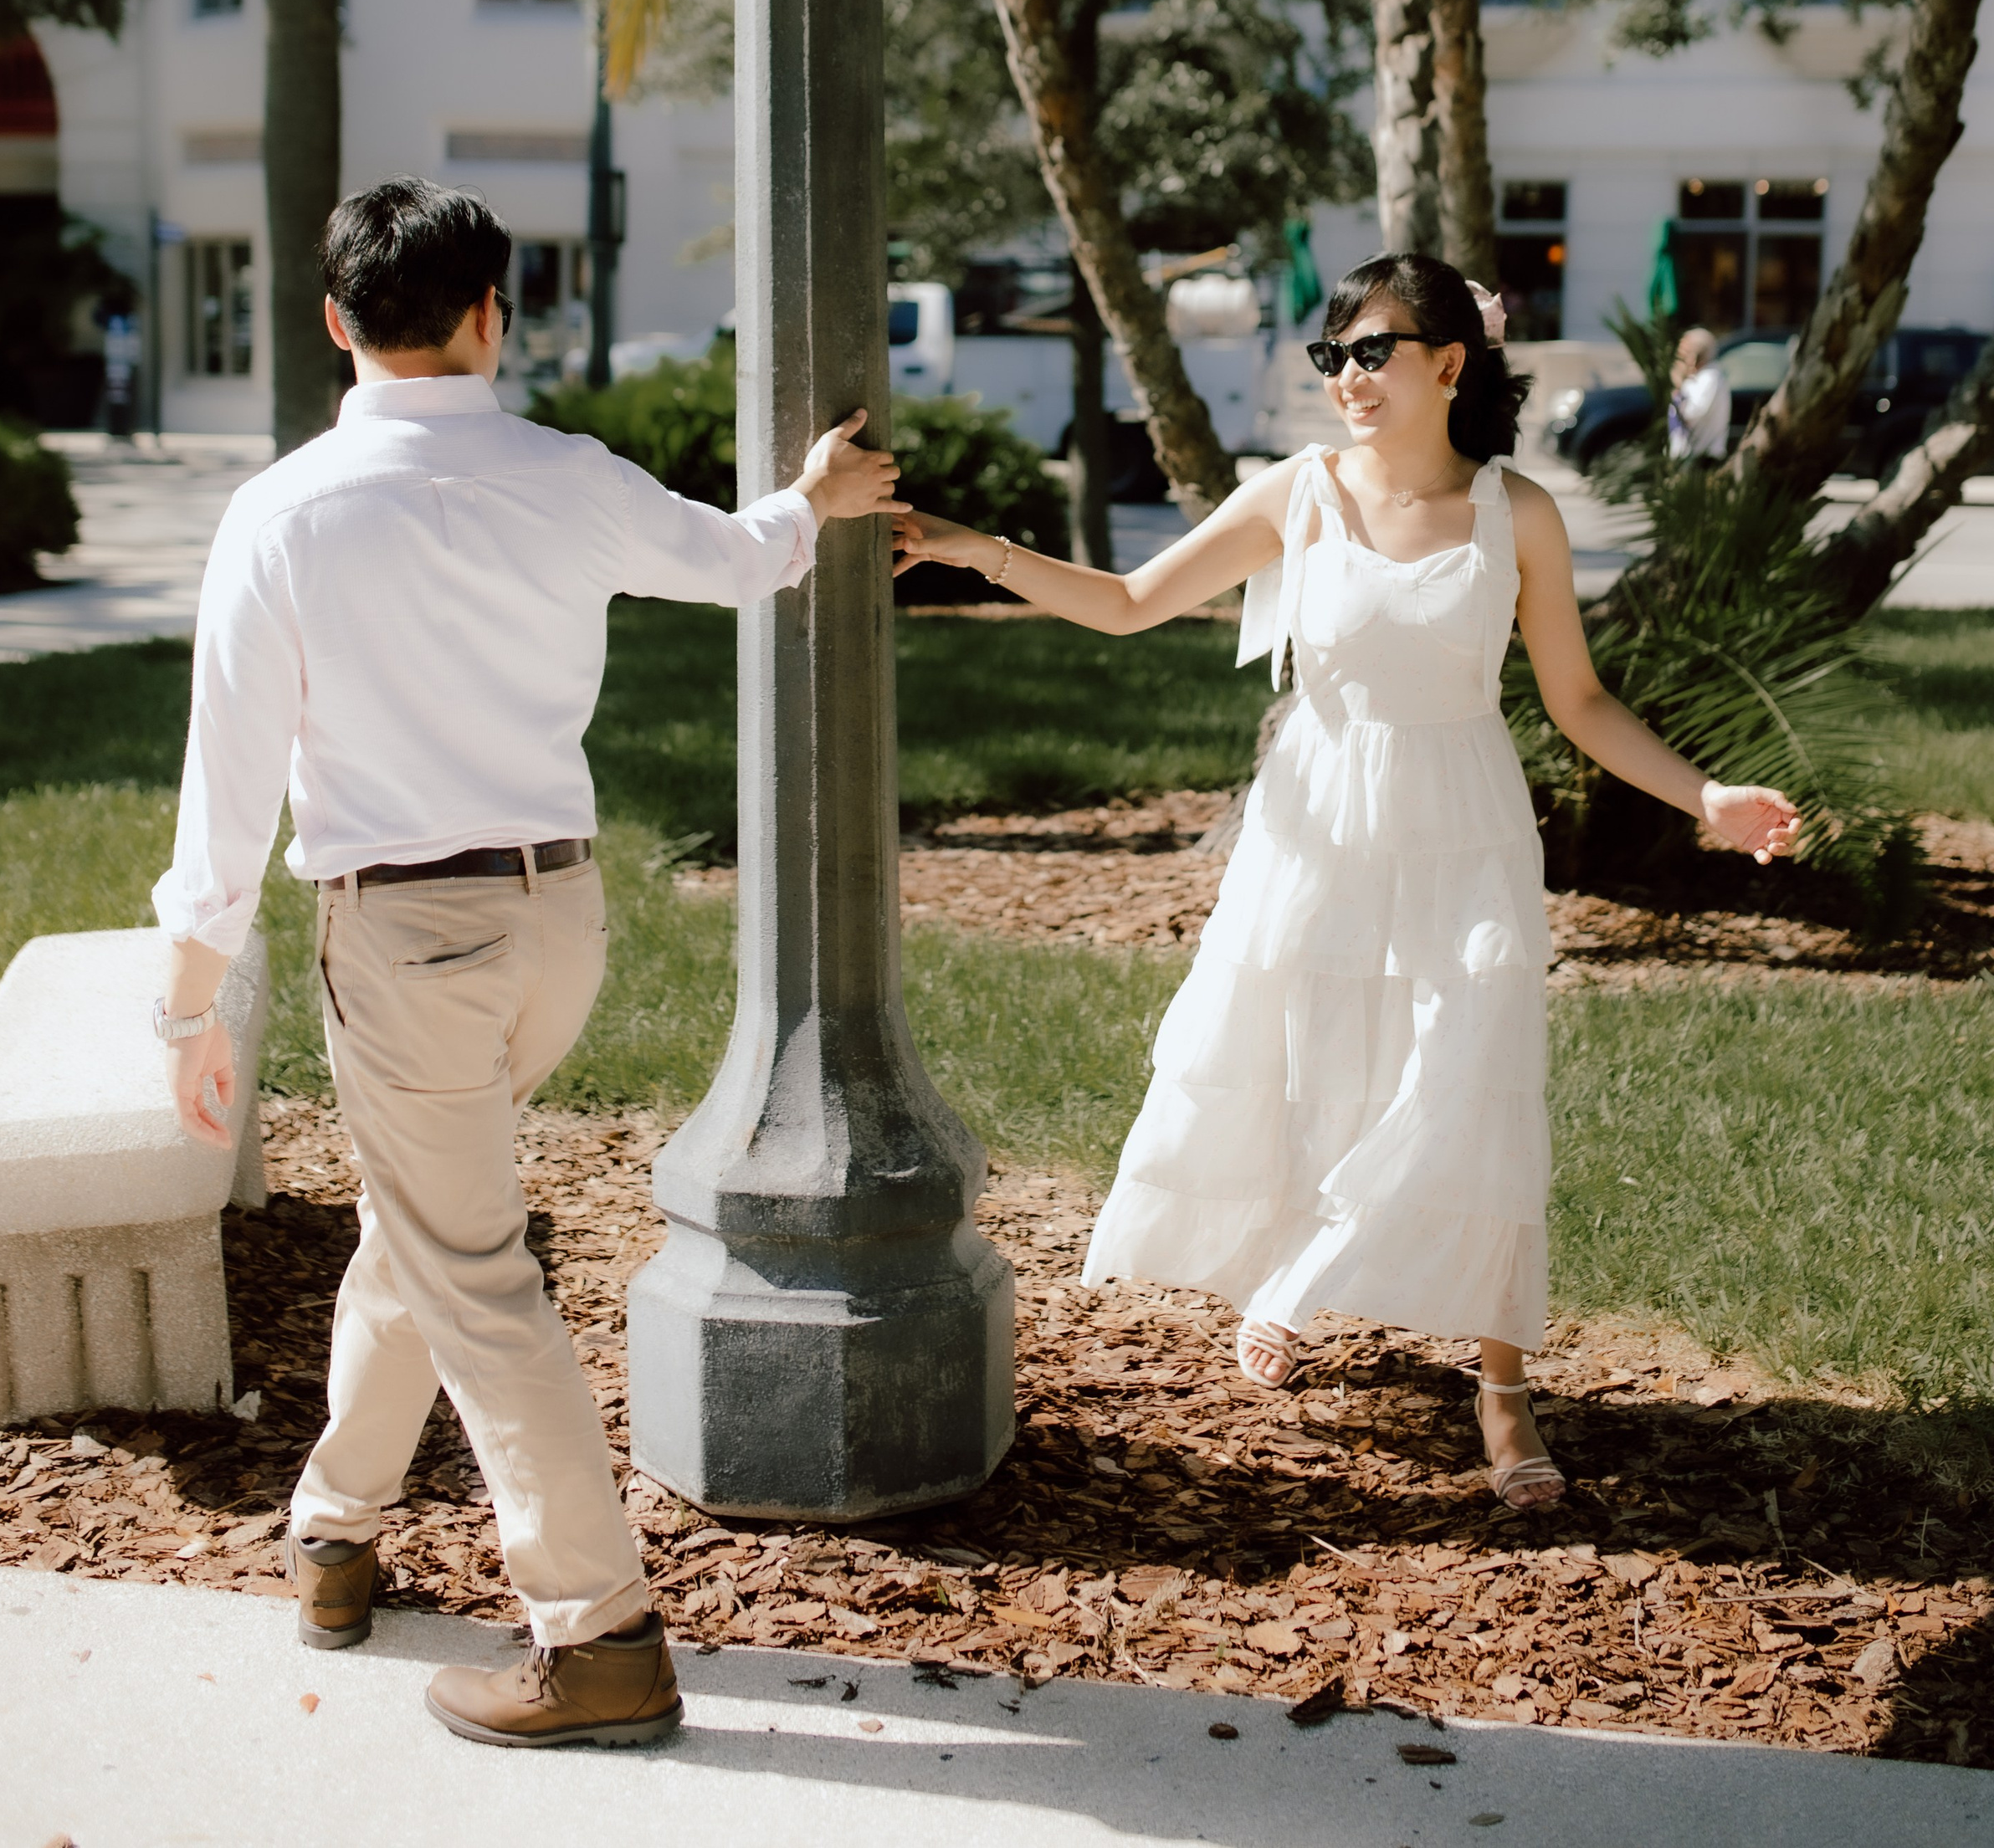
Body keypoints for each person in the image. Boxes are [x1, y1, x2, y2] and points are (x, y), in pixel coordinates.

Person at [151, 178, 901, 1746]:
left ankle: (600, 1632)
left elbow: (224, 791)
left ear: (338, 324)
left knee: (471, 1263)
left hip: (409, 934)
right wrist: (814, 496)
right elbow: (741, 555)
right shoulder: (566, 475)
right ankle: (339, 1527)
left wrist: (188, 997)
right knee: (427, 1221)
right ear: (496, 316)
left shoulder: (282, 511)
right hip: (557, 922)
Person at [894, 251, 1798, 1512]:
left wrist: (1706, 797)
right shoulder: (1298, 493)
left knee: (1474, 1070)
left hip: (1466, 824)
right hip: (1316, 821)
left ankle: (1502, 1386)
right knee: (1314, 1056)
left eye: (1375, 352)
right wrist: (964, 547)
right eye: (1335, 356)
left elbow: (1578, 699)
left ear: (1449, 363)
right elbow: (1128, 600)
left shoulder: (1515, 512)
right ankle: (1295, 1279)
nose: (1351, 378)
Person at [1669, 325, 1730, 465]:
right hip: (1691, 457)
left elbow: (1691, 414)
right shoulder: (1696, 379)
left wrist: (1679, 387)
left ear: (1695, 357)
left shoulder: (1709, 378)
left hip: (1702, 459)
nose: (1678, 360)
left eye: (1682, 355)